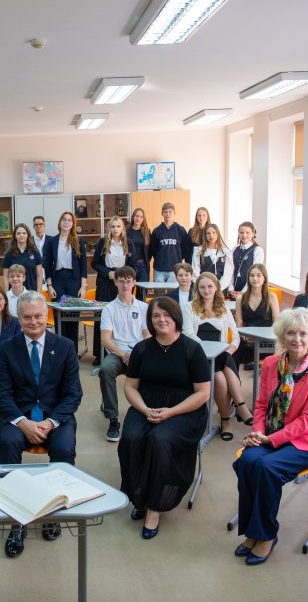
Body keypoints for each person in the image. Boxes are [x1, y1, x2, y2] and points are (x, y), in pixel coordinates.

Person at [233, 308, 308, 565]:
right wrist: (258, 433)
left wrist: (270, 440)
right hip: (270, 433)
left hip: (304, 442)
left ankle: (265, 535)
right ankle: (252, 531)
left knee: (265, 466)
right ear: (282, 337)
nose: (297, 339)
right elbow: (262, 404)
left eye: (303, 334)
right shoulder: (272, 364)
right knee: (246, 461)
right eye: (291, 333)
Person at [0, 291, 83, 557]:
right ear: (19, 318)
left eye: (38, 316)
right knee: (7, 444)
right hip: (20, 415)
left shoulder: (64, 346)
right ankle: (17, 520)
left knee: (64, 449)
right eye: (27, 317)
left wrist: (52, 423)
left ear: (47, 315)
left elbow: (73, 394)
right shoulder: (8, 349)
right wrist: (23, 423)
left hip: (56, 416)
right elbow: (2, 394)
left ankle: (52, 511)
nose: (33, 322)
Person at [118, 297, 211, 538]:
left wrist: (171, 412)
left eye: (166, 315)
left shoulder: (193, 349)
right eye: (156, 316)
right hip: (147, 404)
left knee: (160, 440)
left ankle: (155, 507)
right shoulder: (141, 349)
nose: (161, 319)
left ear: (176, 317)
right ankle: (139, 495)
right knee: (131, 437)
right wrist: (145, 410)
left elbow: (202, 394)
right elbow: (130, 387)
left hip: (184, 408)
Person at [185, 272, 253, 440]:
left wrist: (229, 351)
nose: (206, 290)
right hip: (198, 356)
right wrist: (209, 350)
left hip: (220, 359)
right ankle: (239, 406)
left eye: (210, 286)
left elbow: (236, 336)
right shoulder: (189, 307)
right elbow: (187, 333)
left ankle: (226, 420)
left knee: (221, 378)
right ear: (197, 289)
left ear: (216, 287)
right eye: (202, 287)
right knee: (222, 364)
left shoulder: (223, 308)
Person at [98, 266, 150, 442]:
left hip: (140, 353)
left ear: (134, 282)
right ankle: (113, 418)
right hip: (118, 353)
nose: (125, 285)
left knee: (155, 369)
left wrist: (137, 353)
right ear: (115, 282)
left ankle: (147, 411)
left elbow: (147, 335)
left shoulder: (144, 307)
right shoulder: (109, 309)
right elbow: (106, 339)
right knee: (105, 369)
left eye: (128, 281)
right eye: (121, 281)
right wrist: (123, 354)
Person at [92, 216, 137, 366]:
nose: (115, 229)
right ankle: (100, 354)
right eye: (113, 227)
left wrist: (124, 277)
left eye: (118, 227)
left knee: (121, 316)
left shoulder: (128, 243)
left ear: (122, 228)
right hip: (106, 281)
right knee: (102, 316)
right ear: (109, 228)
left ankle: (120, 350)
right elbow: (95, 263)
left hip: (123, 281)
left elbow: (134, 264)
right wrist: (107, 273)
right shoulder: (102, 242)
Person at [42, 211, 88, 346]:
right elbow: (47, 264)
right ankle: (60, 350)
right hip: (58, 280)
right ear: (60, 222)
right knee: (59, 316)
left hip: (74, 280)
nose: (66, 222)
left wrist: (83, 286)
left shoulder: (78, 241)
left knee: (73, 316)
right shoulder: (52, 241)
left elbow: (84, 265)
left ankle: (72, 351)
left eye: (69, 220)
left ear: (73, 224)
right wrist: (49, 285)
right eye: (64, 219)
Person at [234, 264, 280, 367]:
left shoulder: (271, 297)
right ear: (248, 278)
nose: (255, 279)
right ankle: (236, 381)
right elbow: (239, 323)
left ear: (264, 278)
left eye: (259, 275)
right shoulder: (240, 298)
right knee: (232, 353)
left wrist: (261, 337)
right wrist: (246, 336)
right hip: (248, 340)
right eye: (252, 275)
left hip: (267, 341)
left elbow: (277, 322)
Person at [149, 202, 192, 282]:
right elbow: (153, 249)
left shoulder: (180, 230)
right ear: (162, 213)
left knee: (172, 294)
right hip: (159, 270)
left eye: (170, 212)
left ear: (174, 213)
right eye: (165, 212)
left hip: (175, 270)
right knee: (158, 293)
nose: (168, 214)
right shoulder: (156, 231)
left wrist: (177, 258)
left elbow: (185, 249)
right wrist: (160, 258)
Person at [191, 223, 234, 294]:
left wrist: (218, 288)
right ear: (205, 235)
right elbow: (195, 272)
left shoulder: (226, 252)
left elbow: (228, 274)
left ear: (218, 234)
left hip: (220, 290)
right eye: (208, 233)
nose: (211, 236)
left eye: (214, 233)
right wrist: (202, 288)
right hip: (204, 290)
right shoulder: (198, 251)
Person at [228, 221, 265, 299]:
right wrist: (231, 289)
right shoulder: (235, 249)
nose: (244, 235)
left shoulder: (257, 250)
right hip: (234, 291)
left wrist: (243, 292)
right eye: (241, 232)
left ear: (253, 234)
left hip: (250, 292)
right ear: (238, 234)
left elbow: (255, 274)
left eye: (247, 232)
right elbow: (231, 270)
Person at [2, 223, 43, 291]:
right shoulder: (9, 254)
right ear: (15, 236)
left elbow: (39, 275)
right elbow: (5, 276)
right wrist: (6, 294)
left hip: (31, 292)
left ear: (28, 235)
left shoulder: (35, 252)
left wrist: (38, 293)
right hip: (14, 293)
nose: (21, 235)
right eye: (18, 233)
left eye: (24, 233)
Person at [127, 207, 151, 287]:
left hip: (142, 266)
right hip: (130, 266)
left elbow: (150, 250)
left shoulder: (146, 231)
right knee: (128, 289)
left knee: (142, 291)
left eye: (141, 217)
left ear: (143, 219)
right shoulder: (126, 231)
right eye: (137, 216)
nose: (138, 218)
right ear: (133, 217)